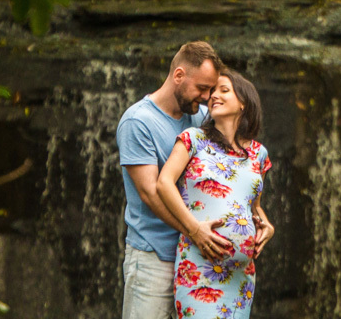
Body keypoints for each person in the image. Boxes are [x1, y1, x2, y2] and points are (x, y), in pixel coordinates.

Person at [117, 41, 224, 319]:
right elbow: (151, 193)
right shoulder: (138, 122)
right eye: (201, 88)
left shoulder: (202, 118)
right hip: (154, 257)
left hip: (196, 258)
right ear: (178, 75)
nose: (206, 97)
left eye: (211, 89)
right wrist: (195, 231)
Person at [157, 70, 274, 319]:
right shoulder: (193, 139)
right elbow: (164, 183)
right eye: (212, 92)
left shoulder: (259, 154)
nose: (214, 96)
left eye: (224, 90)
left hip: (241, 277)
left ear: (243, 103)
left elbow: (253, 205)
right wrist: (193, 229)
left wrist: (267, 225)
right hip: (199, 266)